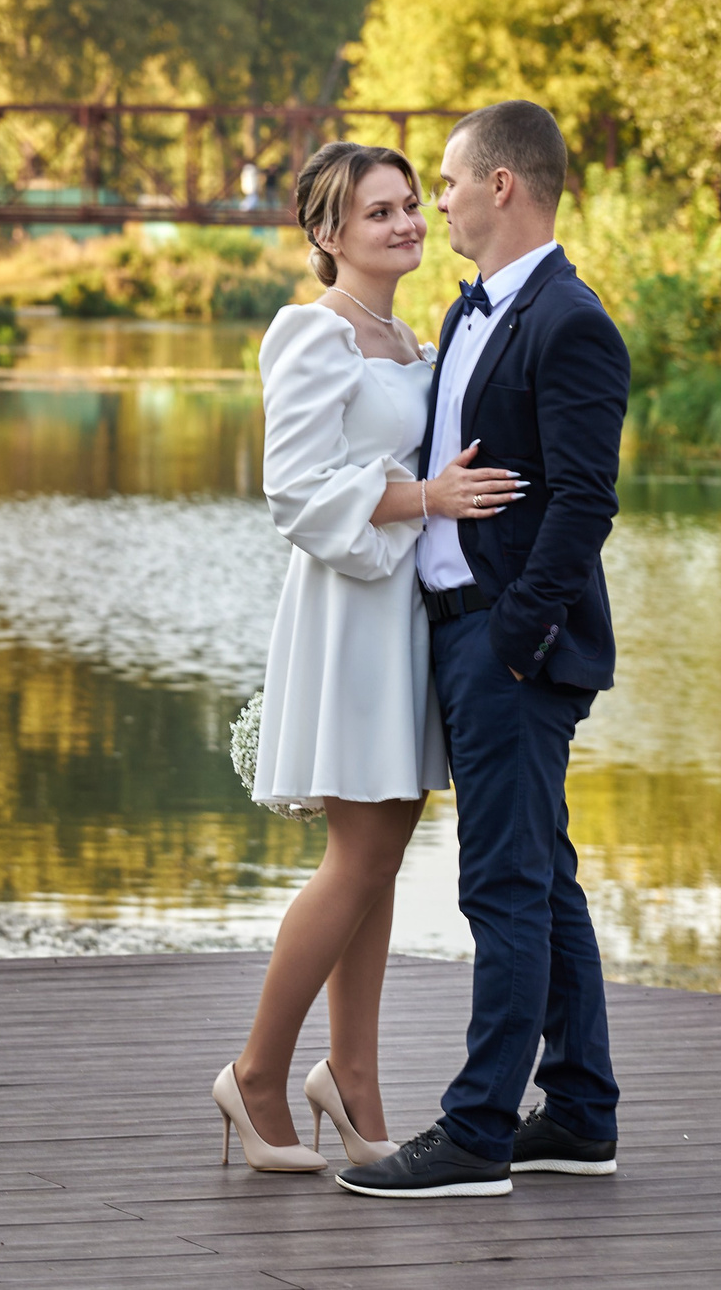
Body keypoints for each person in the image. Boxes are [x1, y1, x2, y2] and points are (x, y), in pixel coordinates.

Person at [337, 101, 629, 1200]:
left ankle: (474, 1131)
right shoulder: (470, 313)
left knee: (501, 886)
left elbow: (584, 503)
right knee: (542, 877)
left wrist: (513, 638)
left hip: (512, 651)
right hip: (459, 638)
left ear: (503, 185)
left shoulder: (569, 319)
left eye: (450, 182)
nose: (438, 201)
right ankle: (582, 1111)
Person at [212, 141, 521, 1173]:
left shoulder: (409, 335)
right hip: (349, 615)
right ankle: (256, 1072)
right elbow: (294, 491)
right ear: (326, 234)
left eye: (407, 205)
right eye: (378, 211)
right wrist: (425, 499)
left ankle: (350, 1075)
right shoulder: (312, 335)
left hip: (406, 616)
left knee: (381, 859)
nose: (404, 222)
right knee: (358, 855)